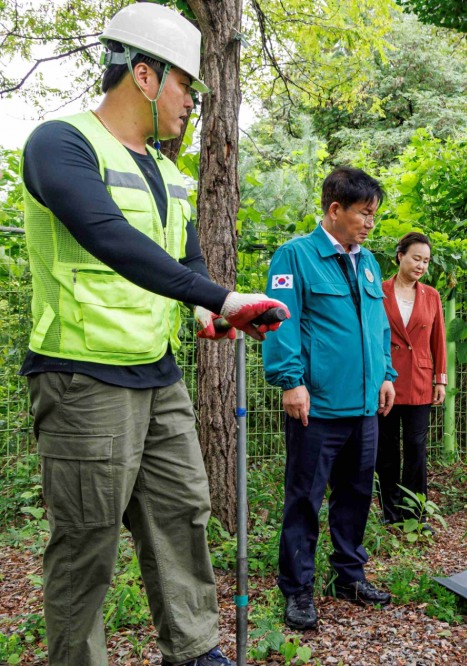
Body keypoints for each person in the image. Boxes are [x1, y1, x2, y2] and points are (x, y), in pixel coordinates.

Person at [18, 5, 289, 665]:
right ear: (144, 74)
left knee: (182, 510)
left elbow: (185, 259)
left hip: (156, 372)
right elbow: (108, 239)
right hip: (82, 375)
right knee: (86, 544)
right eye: (186, 86)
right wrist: (222, 296)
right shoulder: (61, 144)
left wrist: (207, 311)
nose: (193, 103)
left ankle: (193, 650)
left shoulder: (168, 173)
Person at [263, 166, 397, 631]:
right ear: (335, 210)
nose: (370, 223)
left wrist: (386, 373)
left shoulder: (370, 262)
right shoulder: (295, 256)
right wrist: (290, 381)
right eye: (364, 213)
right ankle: (297, 590)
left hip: (364, 407)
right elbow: (281, 322)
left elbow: (380, 326)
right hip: (315, 408)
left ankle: (349, 577)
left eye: (374, 215)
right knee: (304, 499)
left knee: (357, 495)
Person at [376, 232, 447, 527]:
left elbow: (438, 339)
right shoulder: (378, 291)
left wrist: (440, 379)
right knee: (387, 448)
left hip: (420, 379)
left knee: (417, 448)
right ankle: (390, 513)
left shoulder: (432, 295)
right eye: (416, 258)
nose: (421, 265)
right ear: (400, 255)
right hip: (386, 380)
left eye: (426, 261)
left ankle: (415, 513)